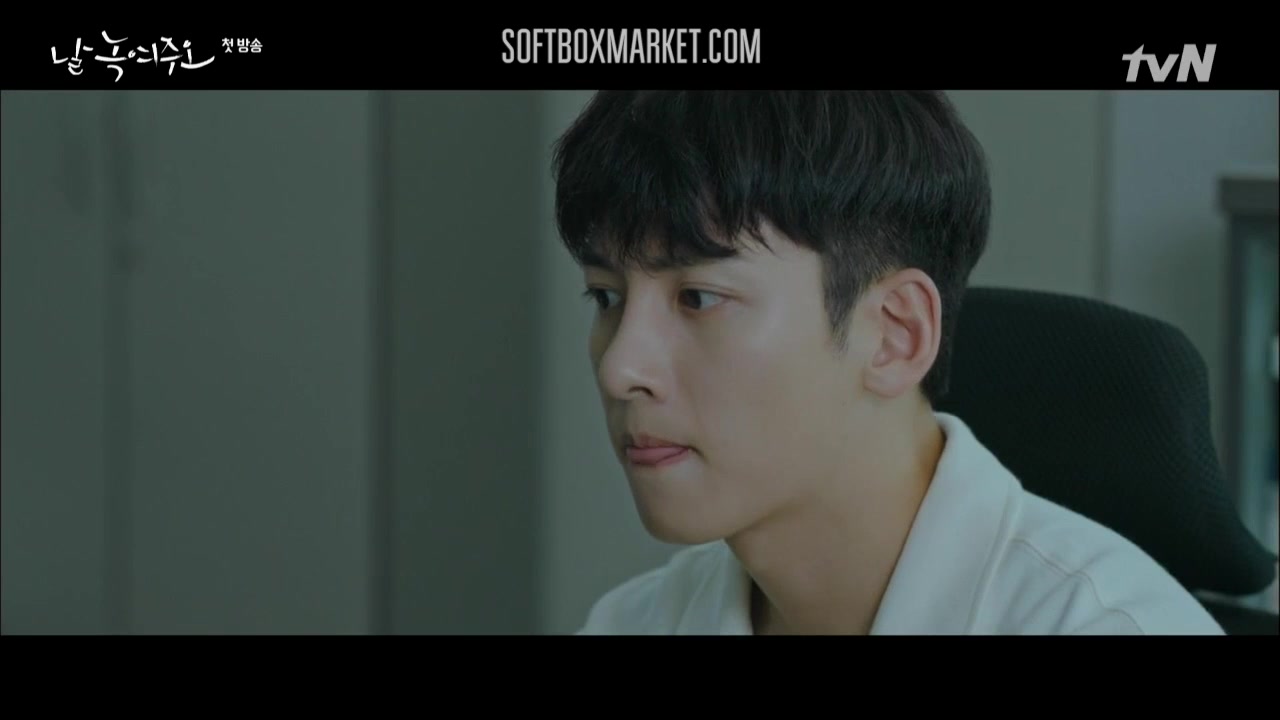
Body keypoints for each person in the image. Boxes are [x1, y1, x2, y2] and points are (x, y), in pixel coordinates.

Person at [551, 90, 1224, 635]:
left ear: (896, 334)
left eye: (698, 298)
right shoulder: (632, 622)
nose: (619, 369)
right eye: (607, 297)